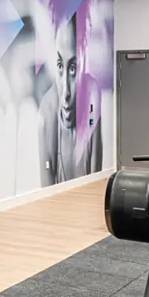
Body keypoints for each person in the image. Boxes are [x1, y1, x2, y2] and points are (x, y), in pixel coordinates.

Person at [40, 13, 101, 185]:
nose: (65, 92)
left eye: (73, 69)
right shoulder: (46, 114)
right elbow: (47, 194)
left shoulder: (92, 95)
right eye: (60, 66)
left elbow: (96, 181)